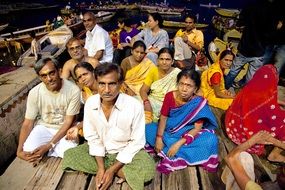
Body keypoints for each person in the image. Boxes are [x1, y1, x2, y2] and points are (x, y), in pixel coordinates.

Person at [62, 63, 155, 190]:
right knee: (69, 155)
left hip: (126, 151)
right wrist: (101, 168)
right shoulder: (90, 103)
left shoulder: (134, 105)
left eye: (112, 84)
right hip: (101, 153)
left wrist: (111, 171)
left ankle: (116, 170)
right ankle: (124, 173)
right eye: (102, 84)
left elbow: (137, 142)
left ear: (120, 83)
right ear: (96, 82)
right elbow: (93, 138)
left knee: (148, 170)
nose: (106, 90)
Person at [145, 69, 219, 174]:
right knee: (147, 128)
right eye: (181, 84)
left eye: (189, 86)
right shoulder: (170, 96)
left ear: (195, 88)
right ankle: (174, 148)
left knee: (211, 139)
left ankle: (171, 149)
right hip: (168, 131)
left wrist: (178, 144)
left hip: (187, 133)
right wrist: (159, 138)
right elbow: (164, 118)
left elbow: (197, 128)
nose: (184, 89)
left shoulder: (198, 103)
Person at [16, 58, 81, 166]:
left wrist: (48, 146)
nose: (49, 78)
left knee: (70, 153)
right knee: (28, 149)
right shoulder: (34, 92)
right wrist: (19, 151)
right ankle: (54, 149)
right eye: (44, 76)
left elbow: (68, 122)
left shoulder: (73, 90)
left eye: (52, 73)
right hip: (44, 127)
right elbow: (28, 123)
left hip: (65, 129)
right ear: (39, 77)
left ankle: (50, 149)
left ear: (59, 71)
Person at [225, 62, 285, 163]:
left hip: (233, 128)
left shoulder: (250, 89)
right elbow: (271, 110)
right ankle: (275, 154)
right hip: (246, 136)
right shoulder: (266, 101)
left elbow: (266, 100)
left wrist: (281, 103)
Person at [140, 47, 181, 123]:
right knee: (132, 105)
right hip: (151, 101)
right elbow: (143, 90)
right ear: (157, 61)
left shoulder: (178, 73)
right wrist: (146, 102)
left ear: (172, 61)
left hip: (168, 104)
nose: (164, 62)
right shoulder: (153, 70)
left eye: (167, 59)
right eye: (161, 59)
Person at [65, 62, 98, 140]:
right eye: (79, 77)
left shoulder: (105, 86)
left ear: (93, 73)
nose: (83, 79)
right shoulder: (83, 93)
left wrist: (78, 126)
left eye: (85, 74)